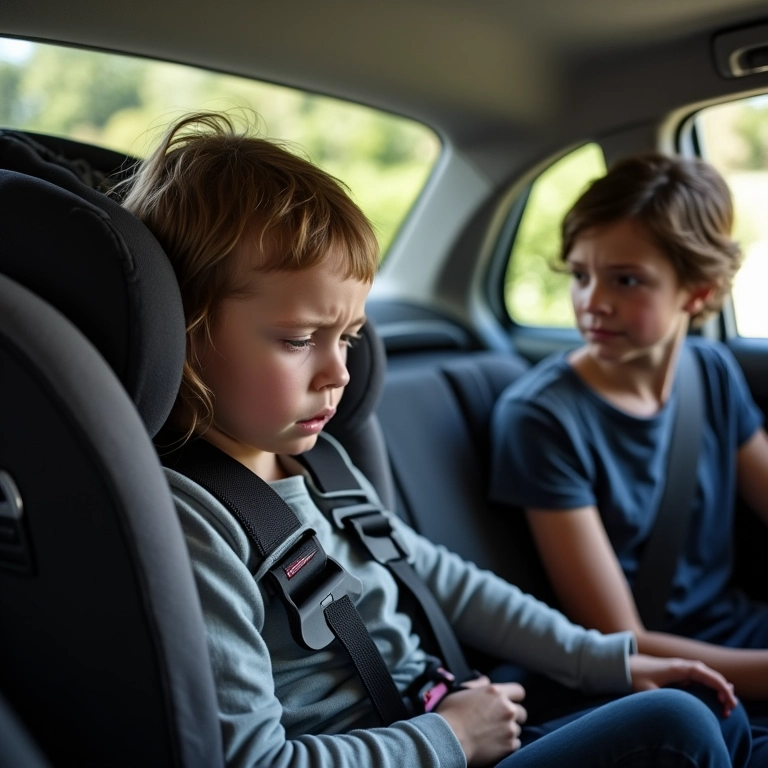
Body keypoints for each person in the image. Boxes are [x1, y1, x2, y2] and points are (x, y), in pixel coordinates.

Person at [122, 114, 748, 768]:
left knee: (711, 714)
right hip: (425, 744)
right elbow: (255, 761)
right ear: (186, 335)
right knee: (678, 728)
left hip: (439, 718)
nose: (339, 373)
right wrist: (452, 737)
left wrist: (614, 663)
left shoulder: (319, 464)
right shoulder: (193, 521)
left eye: (350, 339)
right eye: (300, 339)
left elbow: (446, 580)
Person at [490, 151, 768, 762]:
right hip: (648, 673)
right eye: (581, 275)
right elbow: (624, 640)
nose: (592, 301)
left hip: (737, 631)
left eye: (626, 279)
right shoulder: (541, 417)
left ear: (697, 292)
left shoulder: (713, 374)